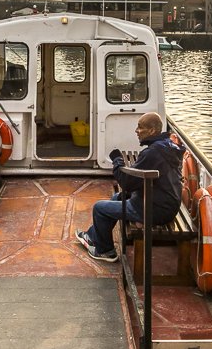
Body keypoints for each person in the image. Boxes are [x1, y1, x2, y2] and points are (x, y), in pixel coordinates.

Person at [76, 112, 184, 262]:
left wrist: (117, 160)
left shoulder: (153, 153)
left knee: (99, 208)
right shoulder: (166, 146)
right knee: (116, 198)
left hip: (155, 210)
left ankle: (105, 251)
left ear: (152, 131)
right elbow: (136, 182)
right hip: (166, 204)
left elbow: (126, 184)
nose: (136, 131)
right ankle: (93, 236)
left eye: (140, 127)